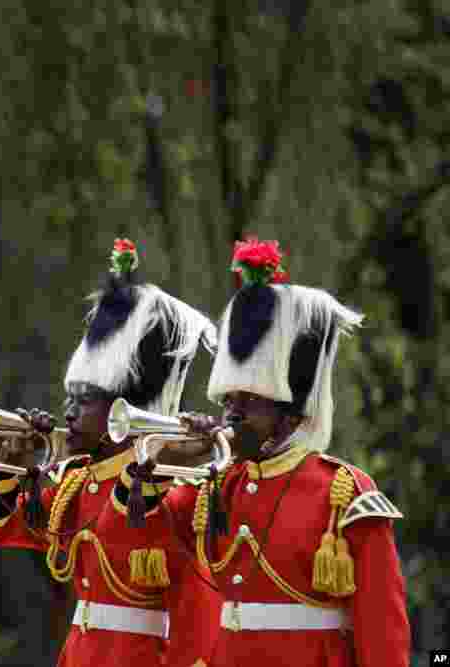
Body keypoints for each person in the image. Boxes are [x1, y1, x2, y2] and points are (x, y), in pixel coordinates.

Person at [0, 238, 222, 667]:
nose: (68, 409)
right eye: (70, 395)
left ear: (124, 409)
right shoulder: (79, 483)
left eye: (84, 398)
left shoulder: (178, 492)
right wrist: (6, 456)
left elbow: (201, 612)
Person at [173, 237, 410, 667]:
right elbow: (140, 532)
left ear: (292, 415)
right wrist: (179, 458)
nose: (233, 413)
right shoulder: (219, 483)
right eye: (229, 399)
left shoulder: (344, 491)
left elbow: (383, 630)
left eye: (251, 400)